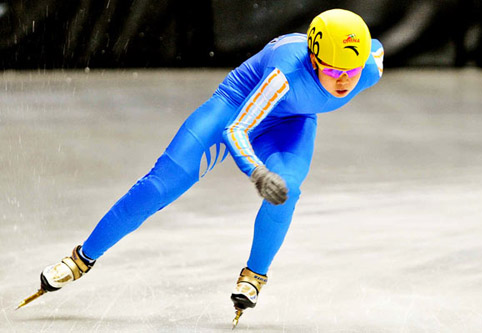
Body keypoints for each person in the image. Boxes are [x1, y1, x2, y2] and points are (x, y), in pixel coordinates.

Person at [19, 8, 384, 328]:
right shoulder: (285, 73)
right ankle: (82, 258)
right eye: (335, 69)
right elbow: (236, 129)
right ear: (314, 58)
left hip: (291, 121)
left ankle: (254, 276)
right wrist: (257, 172)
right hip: (234, 108)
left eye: (352, 70)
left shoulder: (368, 67)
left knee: (286, 191)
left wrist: (273, 177)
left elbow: (372, 53)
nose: (344, 80)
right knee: (160, 185)